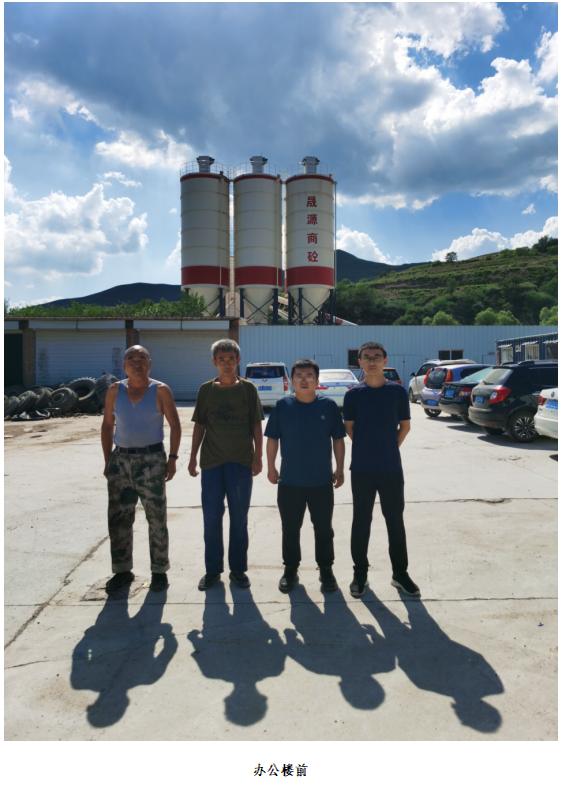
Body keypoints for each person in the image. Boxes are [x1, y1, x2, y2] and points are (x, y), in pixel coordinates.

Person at [101, 345, 181, 593]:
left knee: (156, 518)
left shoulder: (161, 390)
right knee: (119, 518)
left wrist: (172, 459)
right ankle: (122, 570)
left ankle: (159, 571)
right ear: (124, 365)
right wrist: (108, 460)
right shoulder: (114, 390)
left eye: (142, 358)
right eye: (131, 359)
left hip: (151, 461)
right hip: (120, 461)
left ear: (150, 363)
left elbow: (175, 426)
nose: (137, 362)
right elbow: (107, 425)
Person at [343, 341, 420, 598]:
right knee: (361, 521)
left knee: (395, 521)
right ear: (360, 363)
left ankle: (400, 574)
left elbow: (405, 426)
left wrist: (388, 447)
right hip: (362, 469)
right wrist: (367, 447)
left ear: (385, 361)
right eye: (367, 357)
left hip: (390, 469)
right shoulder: (353, 394)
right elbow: (349, 428)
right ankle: (360, 574)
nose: (372, 361)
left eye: (377, 357)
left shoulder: (397, 392)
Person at [188, 339, 264, 590]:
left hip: (240, 462)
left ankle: (238, 570)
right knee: (211, 517)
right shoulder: (206, 390)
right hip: (211, 463)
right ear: (214, 362)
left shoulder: (248, 389)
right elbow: (200, 425)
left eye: (231, 359)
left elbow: (256, 424)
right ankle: (212, 570)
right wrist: (192, 457)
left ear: (238, 361)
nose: (227, 363)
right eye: (222, 359)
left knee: (239, 517)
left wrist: (258, 456)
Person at [265, 359, 346, 593]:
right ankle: (290, 569)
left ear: (317, 380)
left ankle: (326, 569)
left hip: (321, 481)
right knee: (290, 529)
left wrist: (340, 468)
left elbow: (338, 440)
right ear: (291, 381)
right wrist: (271, 466)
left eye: (309, 376)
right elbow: (272, 438)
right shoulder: (282, 406)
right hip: (290, 481)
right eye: (298, 376)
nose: (303, 380)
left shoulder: (329, 406)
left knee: (324, 529)